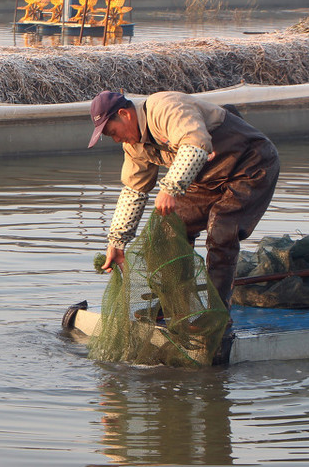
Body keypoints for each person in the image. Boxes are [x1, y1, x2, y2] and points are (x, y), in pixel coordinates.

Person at [87, 89, 280, 313]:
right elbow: (133, 191)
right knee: (168, 229)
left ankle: (215, 314)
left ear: (124, 114)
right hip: (206, 178)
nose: (116, 139)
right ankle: (179, 307)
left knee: (221, 230)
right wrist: (117, 242)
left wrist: (170, 189)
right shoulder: (133, 145)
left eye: (113, 132)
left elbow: (196, 145)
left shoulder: (165, 107)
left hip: (251, 165)